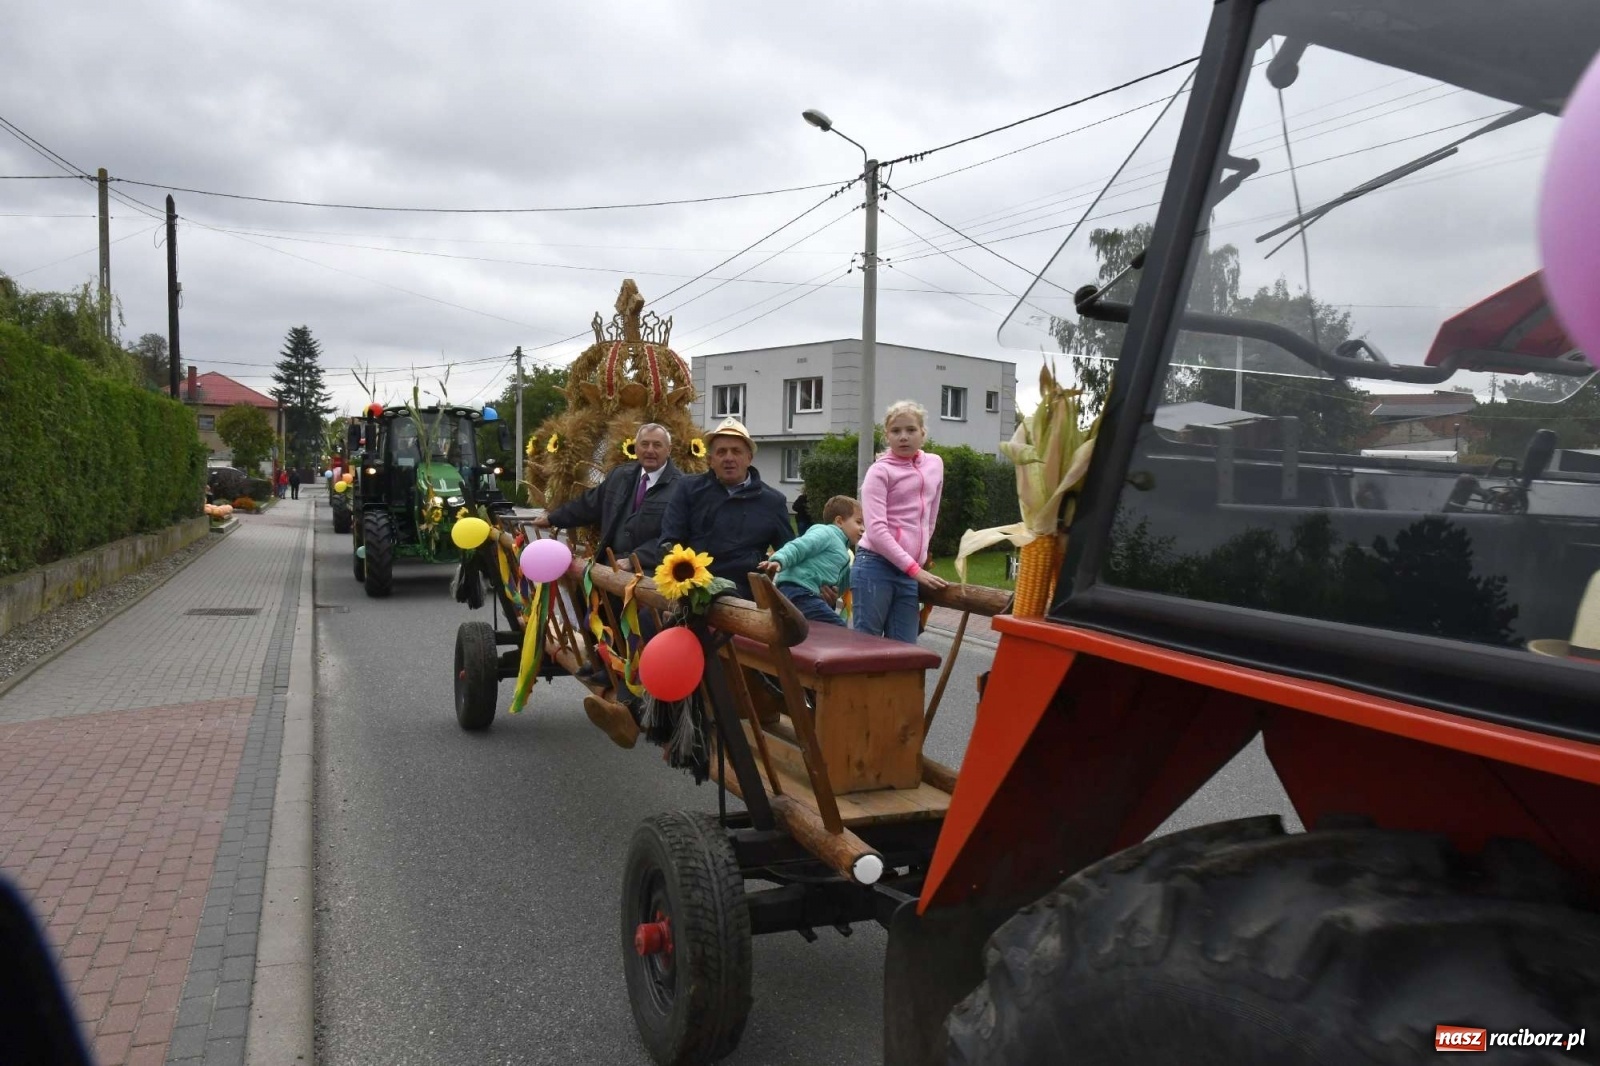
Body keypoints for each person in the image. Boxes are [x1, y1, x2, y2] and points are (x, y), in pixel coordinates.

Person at [656, 417, 792, 599]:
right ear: (710, 460)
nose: (729, 458)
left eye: (736, 451)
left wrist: (816, 580)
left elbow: (790, 551)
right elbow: (669, 540)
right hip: (691, 587)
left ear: (749, 458)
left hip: (743, 594)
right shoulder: (688, 490)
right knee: (647, 619)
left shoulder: (772, 501)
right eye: (721, 452)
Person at [852, 400, 948, 643]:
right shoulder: (879, 471)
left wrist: (920, 559)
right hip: (875, 565)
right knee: (868, 646)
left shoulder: (935, 464)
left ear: (923, 433)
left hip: (908, 571)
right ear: (887, 436)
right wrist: (914, 569)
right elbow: (875, 530)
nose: (903, 437)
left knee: (904, 649)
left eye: (911, 430)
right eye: (896, 431)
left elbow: (930, 519)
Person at [531, 423, 681, 566]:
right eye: (644, 444)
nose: (649, 450)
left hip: (650, 575)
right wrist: (553, 518)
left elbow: (676, 539)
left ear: (669, 450)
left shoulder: (681, 488)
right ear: (636, 448)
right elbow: (588, 505)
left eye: (657, 445)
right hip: (609, 565)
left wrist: (635, 559)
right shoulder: (620, 476)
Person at [757, 495, 861, 626]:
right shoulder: (826, 533)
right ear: (839, 521)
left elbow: (846, 583)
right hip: (798, 590)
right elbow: (799, 546)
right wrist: (779, 560)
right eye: (858, 522)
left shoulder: (844, 552)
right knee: (838, 629)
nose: (863, 528)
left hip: (807, 594)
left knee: (818, 629)